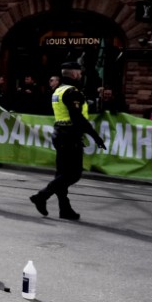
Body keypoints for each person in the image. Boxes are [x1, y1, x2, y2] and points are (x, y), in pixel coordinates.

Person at [30, 62, 107, 220]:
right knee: (73, 174)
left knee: (62, 174)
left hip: (60, 133)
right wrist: (96, 136)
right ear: (74, 74)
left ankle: (64, 208)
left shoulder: (58, 90)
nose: (81, 75)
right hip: (70, 136)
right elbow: (77, 118)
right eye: (79, 72)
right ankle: (42, 196)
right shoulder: (73, 92)